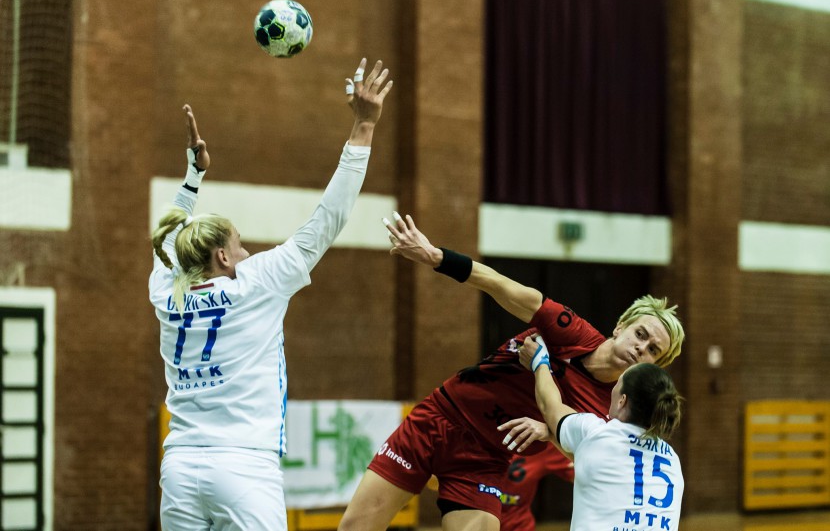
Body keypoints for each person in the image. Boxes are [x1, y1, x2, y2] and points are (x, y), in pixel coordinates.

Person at [149, 58, 393, 530]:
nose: (248, 250)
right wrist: (363, 126)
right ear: (222, 257)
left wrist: (192, 178)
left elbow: (166, 240)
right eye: (239, 244)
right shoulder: (256, 283)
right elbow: (329, 218)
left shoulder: (166, 292)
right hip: (243, 468)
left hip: (179, 469)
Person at [337, 214, 684, 531]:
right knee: (355, 527)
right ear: (621, 326)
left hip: (486, 458)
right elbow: (501, 285)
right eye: (641, 335)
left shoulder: (609, 413)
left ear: (655, 365)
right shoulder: (569, 330)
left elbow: (579, 451)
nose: (642, 348)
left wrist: (548, 432)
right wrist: (435, 257)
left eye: (654, 350)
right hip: (439, 419)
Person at [501, 336, 684, 531]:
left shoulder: (596, 433)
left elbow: (550, 406)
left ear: (622, 400)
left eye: (616, 384)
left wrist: (540, 360)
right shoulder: (672, 460)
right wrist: (549, 434)